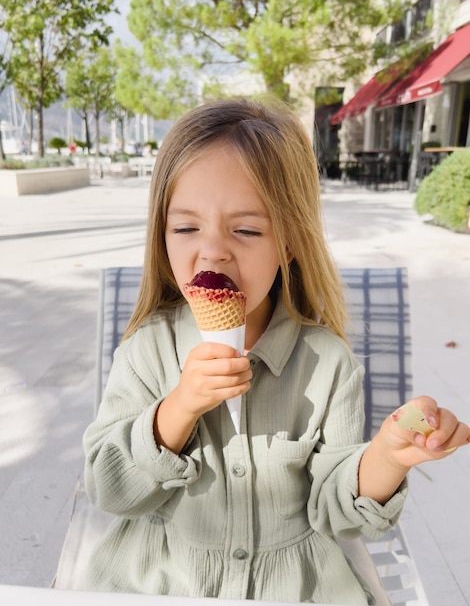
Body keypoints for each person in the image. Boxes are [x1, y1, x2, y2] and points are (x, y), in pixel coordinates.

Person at [83, 97, 469, 605]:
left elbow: (336, 512)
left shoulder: (328, 363)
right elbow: (109, 491)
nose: (213, 250)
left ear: (288, 241)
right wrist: (177, 409)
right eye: (185, 227)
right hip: (164, 577)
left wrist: (387, 457)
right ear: (162, 236)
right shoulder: (146, 350)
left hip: (298, 585)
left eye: (245, 230)